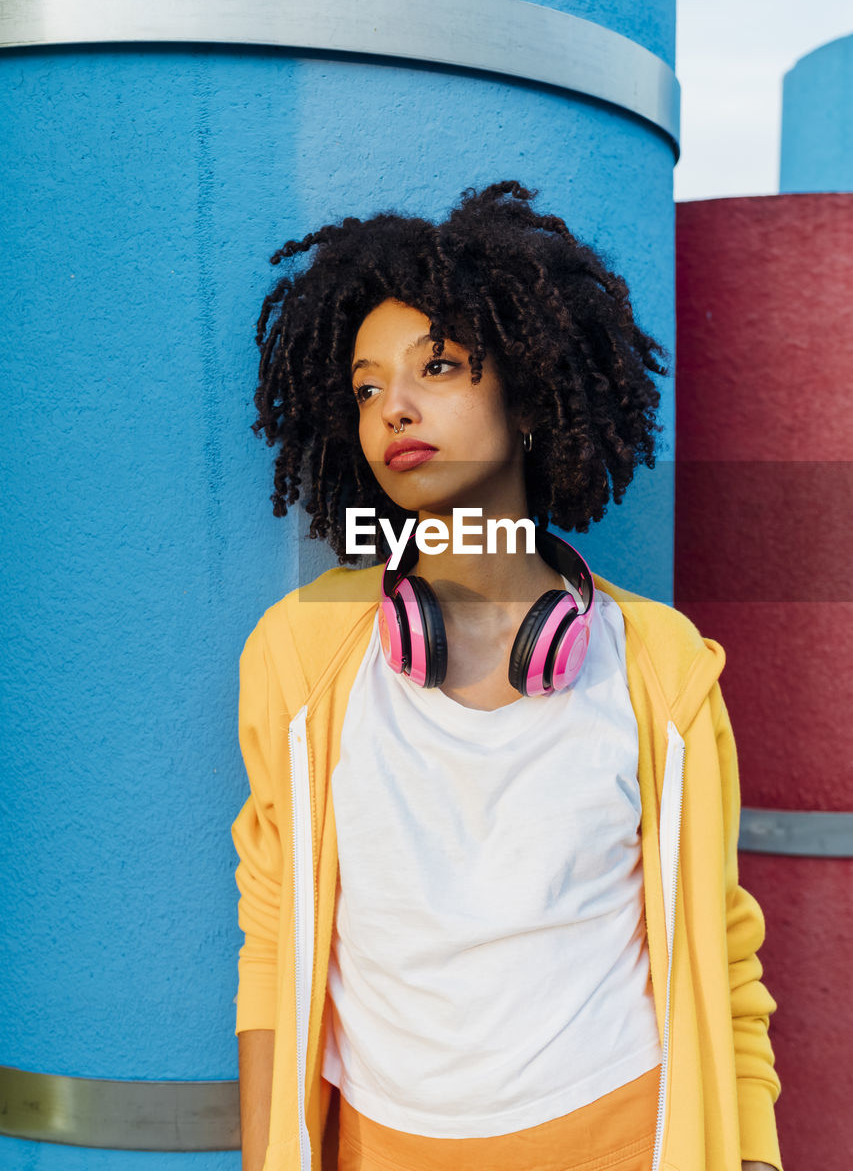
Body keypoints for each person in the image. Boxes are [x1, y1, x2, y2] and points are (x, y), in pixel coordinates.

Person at [231, 181, 783, 1171]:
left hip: (627, 1130)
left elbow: (723, 952)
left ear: (526, 392)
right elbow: (271, 934)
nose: (392, 404)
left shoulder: (660, 663)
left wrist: (750, 1154)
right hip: (380, 1142)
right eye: (365, 386)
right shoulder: (299, 651)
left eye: (435, 366)